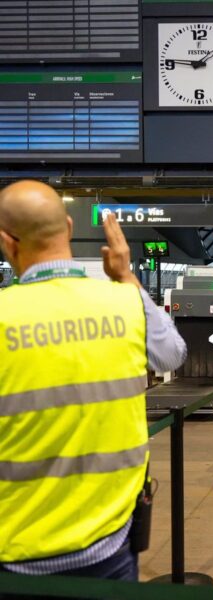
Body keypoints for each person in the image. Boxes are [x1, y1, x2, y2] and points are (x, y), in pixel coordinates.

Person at [0, 180, 187, 581]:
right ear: (68, 228)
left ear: (6, 241)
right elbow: (172, 355)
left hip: (16, 548)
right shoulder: (122, 302)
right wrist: (126, 277)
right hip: (111, 541)